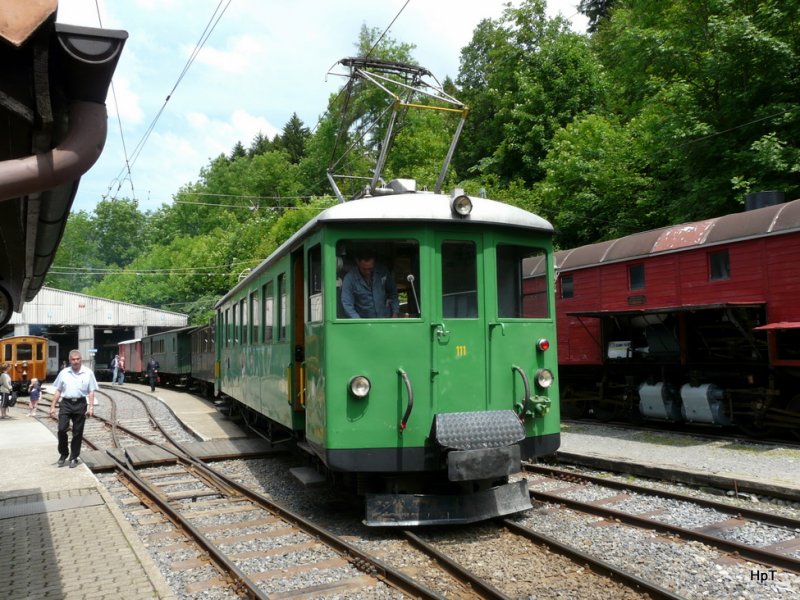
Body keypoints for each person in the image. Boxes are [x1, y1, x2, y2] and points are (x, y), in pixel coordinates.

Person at [49, 349, 97, 468]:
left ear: (81, 359)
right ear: (69, 360)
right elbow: (58, 390)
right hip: (66, 403)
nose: (75, 361)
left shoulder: (88, 372)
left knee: (77, 432)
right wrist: (52, 406)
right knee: (61, 429)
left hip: (80, 403)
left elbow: (91, 391)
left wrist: (91, 407)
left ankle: (74, 457)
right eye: (73, 359)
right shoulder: (64, 372)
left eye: (77, 359)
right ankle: (64, 453)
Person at [341, 248, 400, 318]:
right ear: (357, 262)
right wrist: (359, 322)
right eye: (364, 269)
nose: (367, 272)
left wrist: (395, 313)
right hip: (363, 323)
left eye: (370, 269)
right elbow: (347, 304)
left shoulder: (383, 271)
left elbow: (393, 292)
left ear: (374, 263)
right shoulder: (349, 279)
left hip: (384, 320)